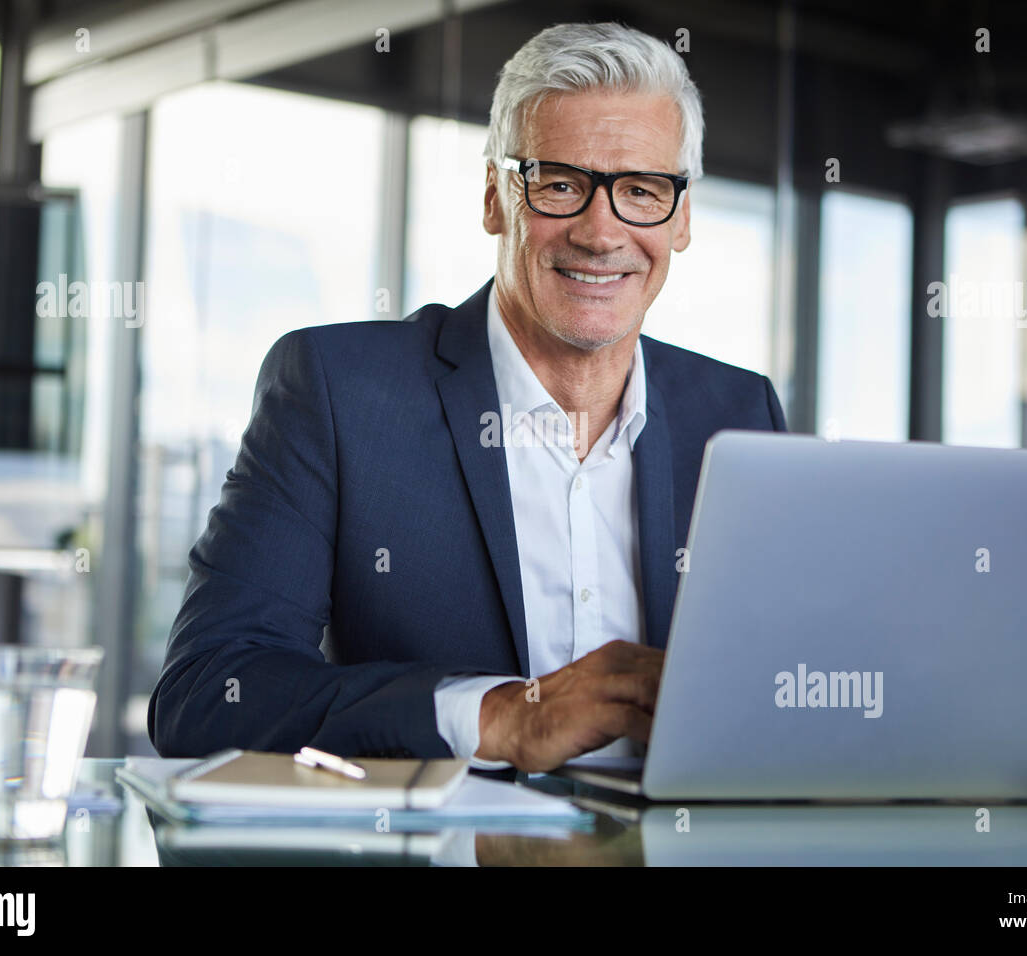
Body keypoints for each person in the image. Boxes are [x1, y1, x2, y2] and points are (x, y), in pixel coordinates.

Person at [148, 21, 786, 772]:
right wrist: (495, 716)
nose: (600, 231)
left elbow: (784, 689)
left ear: (681, 219)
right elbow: (207, 689)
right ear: (495, 198)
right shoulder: (338, 390)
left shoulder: (739, 415)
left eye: (641, 191)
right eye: (560, 184)